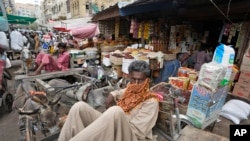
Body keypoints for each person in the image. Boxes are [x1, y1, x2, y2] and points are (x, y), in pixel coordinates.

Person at [58, 60, 159, 141]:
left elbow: (138, 132)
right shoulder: (130, 88)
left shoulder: (151, 102)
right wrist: (112, 94)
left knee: (115, 111)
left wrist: (113, 121)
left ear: (147, 80)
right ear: (129, 77)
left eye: (140, 80)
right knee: (79, 107)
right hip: (115, 126)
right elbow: (121, 92)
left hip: (131, 136)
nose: (136, 84)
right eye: (133, 79)